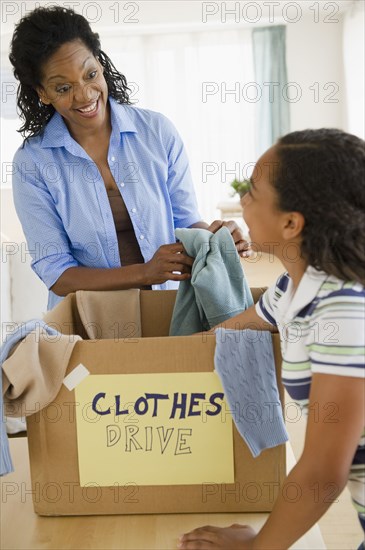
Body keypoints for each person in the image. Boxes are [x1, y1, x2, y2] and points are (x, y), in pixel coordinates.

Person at [179, 129, 365, 549]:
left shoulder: (345, 311)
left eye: (252, 190)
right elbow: (238, 326)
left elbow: (321, 472)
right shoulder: (294, 286)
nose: (240, 199)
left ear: (290, 223)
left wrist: (257, 547)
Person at [9, 6, 250, 311]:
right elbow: (56, 273)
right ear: (42, 92)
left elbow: (185, 221)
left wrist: (219, 238)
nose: (84, 95)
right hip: (89, 318)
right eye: (63, 87)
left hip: (169, 306)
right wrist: (145, 271)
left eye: (90, 74)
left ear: (100, 62)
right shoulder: (33, 163)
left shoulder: (157, 132)